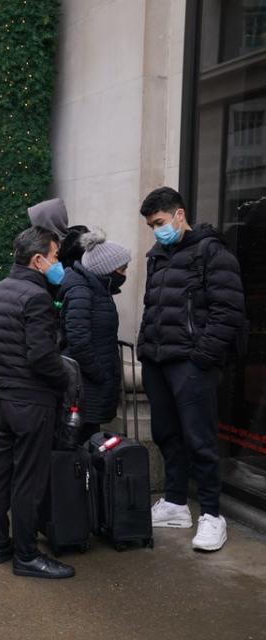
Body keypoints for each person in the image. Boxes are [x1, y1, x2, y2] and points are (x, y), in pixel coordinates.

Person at [138, 186, 245, 552]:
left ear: (180, 214)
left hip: (190, 363)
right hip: (157, 361)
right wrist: (144, 350)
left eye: (160, 222)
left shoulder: (211, 252)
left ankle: (213, 516)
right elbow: (152, 305)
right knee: (168, 434)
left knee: (200, 440)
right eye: (152, 225)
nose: (156, 230)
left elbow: (228, 312)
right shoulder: (157, 255)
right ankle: (175, 503)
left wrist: (201, 358)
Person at [0, 226, 75, 579]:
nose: (57, 262)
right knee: (29, 480)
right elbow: (42, 356)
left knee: (1, 471)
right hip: (33, 400)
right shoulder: (36, 297)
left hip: (5, 397)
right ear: (38, 259)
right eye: (55, 256)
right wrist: (65, 380)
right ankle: (27, 556)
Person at [60, 229, 130, 443]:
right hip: (86, 385)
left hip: (93, 384)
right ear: (105, 269)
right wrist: (100, 374)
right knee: (79, 442)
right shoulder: (82, 290)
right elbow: (79, 341)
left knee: (89, 439)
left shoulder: (98, 289)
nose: (125, 274)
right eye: (122, 268)